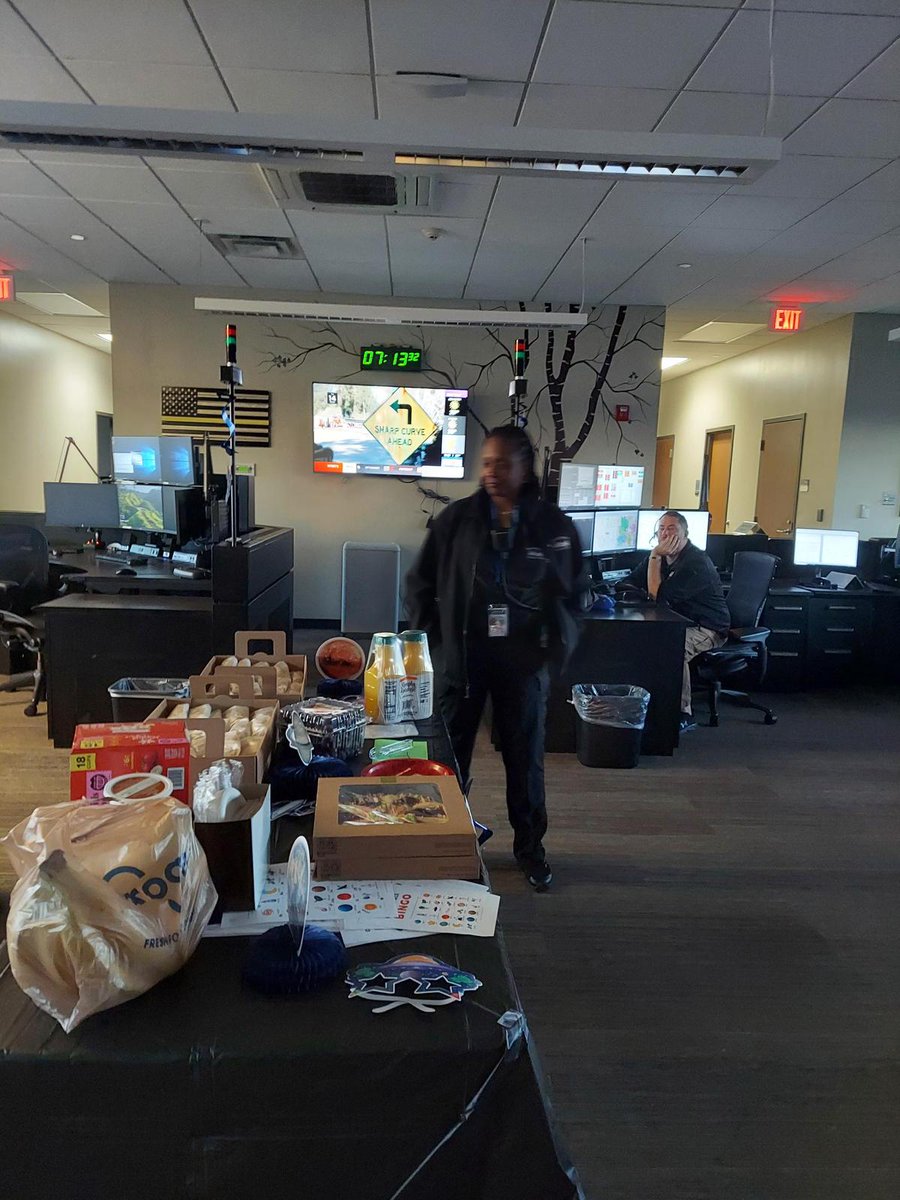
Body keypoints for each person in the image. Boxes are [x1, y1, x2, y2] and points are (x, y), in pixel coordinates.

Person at [405, 426, 591, 891]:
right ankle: (446, 846)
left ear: (525, 467)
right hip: (462, 661)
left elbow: (574, 594)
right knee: (447, 761)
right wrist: (439, 644)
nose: (491, 472)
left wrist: (549, 656)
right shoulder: (456, 521)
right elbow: (419, 586)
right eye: (486, 462)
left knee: (525, 762)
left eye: (502, 463)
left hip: (521, 663)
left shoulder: (552, 526)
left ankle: (530, 851)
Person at [620, 510, 730, 730]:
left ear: (685, 533)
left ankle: (683, 712)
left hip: (708, 628)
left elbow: (659, 598)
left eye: (672, 529)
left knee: (673, 648)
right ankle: (647, 704)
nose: (665, 534)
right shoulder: (662, 557)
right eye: (661, 529)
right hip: (679, 622)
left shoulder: (696, 562)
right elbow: (627, 582)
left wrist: (654, 556)